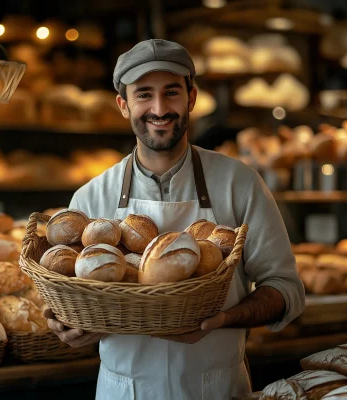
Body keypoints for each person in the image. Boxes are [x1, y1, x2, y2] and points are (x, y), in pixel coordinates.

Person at [44, 39, 305, 400]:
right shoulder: (91, 199)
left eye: (171, 93)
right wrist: (64, 324)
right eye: (144, 95)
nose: (159, 108)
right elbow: (66, 296)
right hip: (124, 391)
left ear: (191, 98)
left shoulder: (239, 183)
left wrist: (223, 321)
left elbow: (286, 290)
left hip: (217, 388)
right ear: (123, 105)